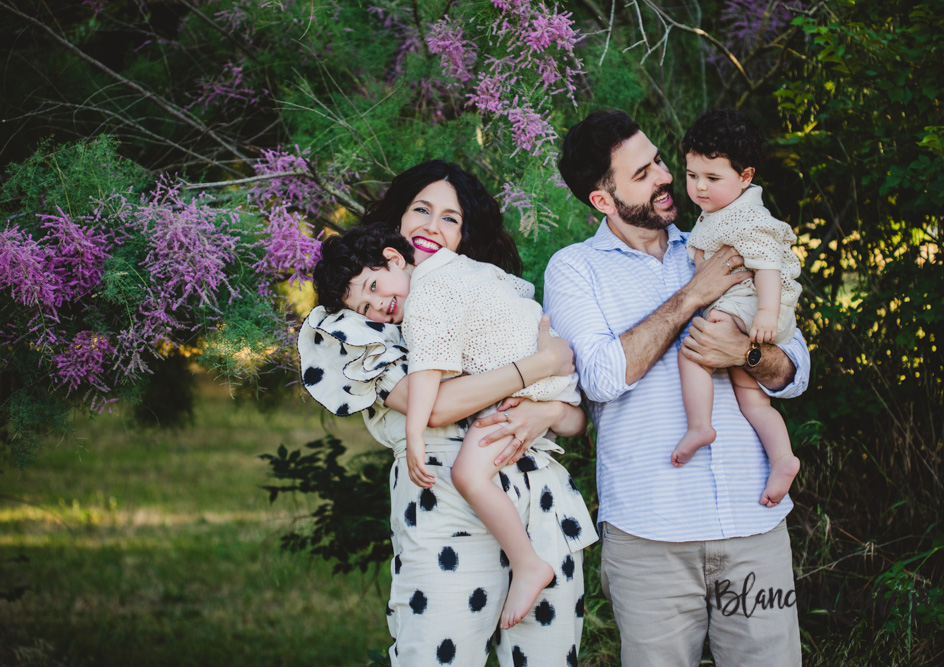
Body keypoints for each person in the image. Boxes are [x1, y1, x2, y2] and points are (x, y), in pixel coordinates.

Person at [297, 160, 598, 667]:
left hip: (539, 501)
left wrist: (540, 413)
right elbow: (433, 407)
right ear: (396, 221)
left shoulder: (478, 295)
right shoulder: (354, 319)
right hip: (445, 513)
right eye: (421, 210)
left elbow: (574, 421)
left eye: (451, 219)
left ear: (465, 234)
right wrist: (537, 365)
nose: (433, 227)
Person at [544, 110, 810, 666]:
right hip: (649, 538)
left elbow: (794, 372)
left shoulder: (723, 239)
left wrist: (746, 353)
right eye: (642, 174)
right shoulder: (575, 270)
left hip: (753, 526)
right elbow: (601, 377)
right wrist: (692, 296)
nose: (665, 177)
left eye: (660, 161)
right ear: (603, 200)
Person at [318, 223, 580, 630]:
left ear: (394, 258)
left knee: (467, 474)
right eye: (365, 309)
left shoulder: (425, 296)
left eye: (373, 287)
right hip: (546, 374)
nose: (378, 306)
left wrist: (414, 434)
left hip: (535, 384)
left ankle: (529, 564)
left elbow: (425, 371)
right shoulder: (454, 269)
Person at [672, 108, 802, 508]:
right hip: (748, 304)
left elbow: (767, 266)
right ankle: (783, 458)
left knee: (696, 347)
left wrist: (764, 314)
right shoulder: (720, 212)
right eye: (693, 176)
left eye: (713, 178)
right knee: (752, 398)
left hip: (753, 303)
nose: (700, 188)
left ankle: (700, 426)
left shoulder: (745, 217)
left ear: (745, 176)